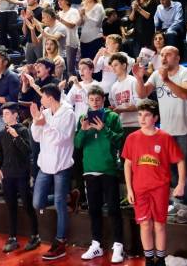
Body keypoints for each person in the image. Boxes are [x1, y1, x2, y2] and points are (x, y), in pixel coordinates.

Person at [132, 46, 187, 224]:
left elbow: (185, 94)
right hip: (167, 131)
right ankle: (178, 201)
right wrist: (139, 78)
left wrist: (167, 80)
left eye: (167, 54)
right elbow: (143, 93)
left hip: (186, 130)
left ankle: (186, 206)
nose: (163, 57)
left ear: (177, 57)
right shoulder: (156, 75)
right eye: (161, 55)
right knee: (171, 169)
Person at [122, 99, 185, 266]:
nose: (142, 118)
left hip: (160, 188)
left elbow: (180, 160)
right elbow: (127, 164)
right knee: (144, 224)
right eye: (140, 114)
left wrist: (181, 183)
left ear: (155, 118)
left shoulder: (165, 137)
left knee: (159, 225)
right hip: (139, 189)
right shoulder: (132, 138)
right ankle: (149, 259)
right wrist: (129, 189)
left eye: (147, 115)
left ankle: (161, 259)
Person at [74, 85, 125, 263]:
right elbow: (78, 144)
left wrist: (104, 129)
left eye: (98, 100)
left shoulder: (112, 117)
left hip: (109, 169)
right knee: (94, 210)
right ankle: (96, 244)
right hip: (90, 169)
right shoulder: (82, 118)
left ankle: (118, 245)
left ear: (103, 100)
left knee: (113, 209)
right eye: (92, 100)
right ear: (88, 101)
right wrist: (83, 130)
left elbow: (120, 141)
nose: (95, 103)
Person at [30, 84, 76, 261]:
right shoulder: (46, 113)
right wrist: (36, 120)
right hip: (45, 164)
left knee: (58, 205)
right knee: (37, 202)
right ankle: (67, 196)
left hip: (62, 165)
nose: (40, 100)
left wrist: (44, 124)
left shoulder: (68, 113)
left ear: (50, 98)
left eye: (42, 96)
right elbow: (36, 136)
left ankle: (60, 241)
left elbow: (62, 139)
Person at [0, 102, 41, 253]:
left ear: (15, 115)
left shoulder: (23, 130)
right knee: (11, 207)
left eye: (7, 114)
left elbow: (28, 151)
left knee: (27, 205)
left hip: (21, 174)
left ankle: (35, 235)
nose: (4, 117)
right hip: (8, 175)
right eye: (3, 114)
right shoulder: (2, 133)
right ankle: (12, 237)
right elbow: (0, 155)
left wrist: (16, 137)